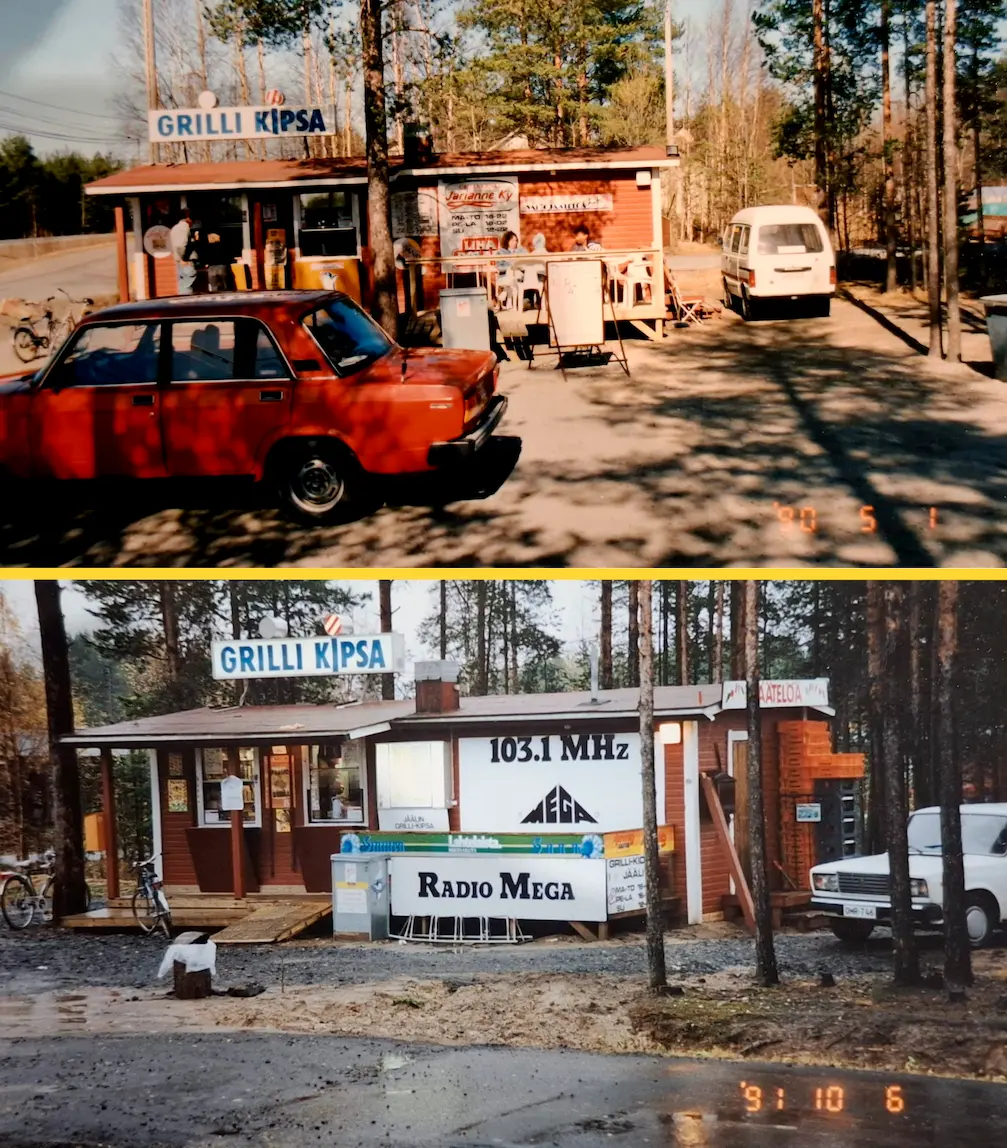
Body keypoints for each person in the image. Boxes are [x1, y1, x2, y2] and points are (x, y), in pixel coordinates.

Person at [170, 208, 196, 295]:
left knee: (182, 286)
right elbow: (181, 245)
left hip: (179, 262)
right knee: (187, 287)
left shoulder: (174, 228)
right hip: (185, 261)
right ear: (188, 218)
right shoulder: (185, 227)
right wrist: (183, 260)